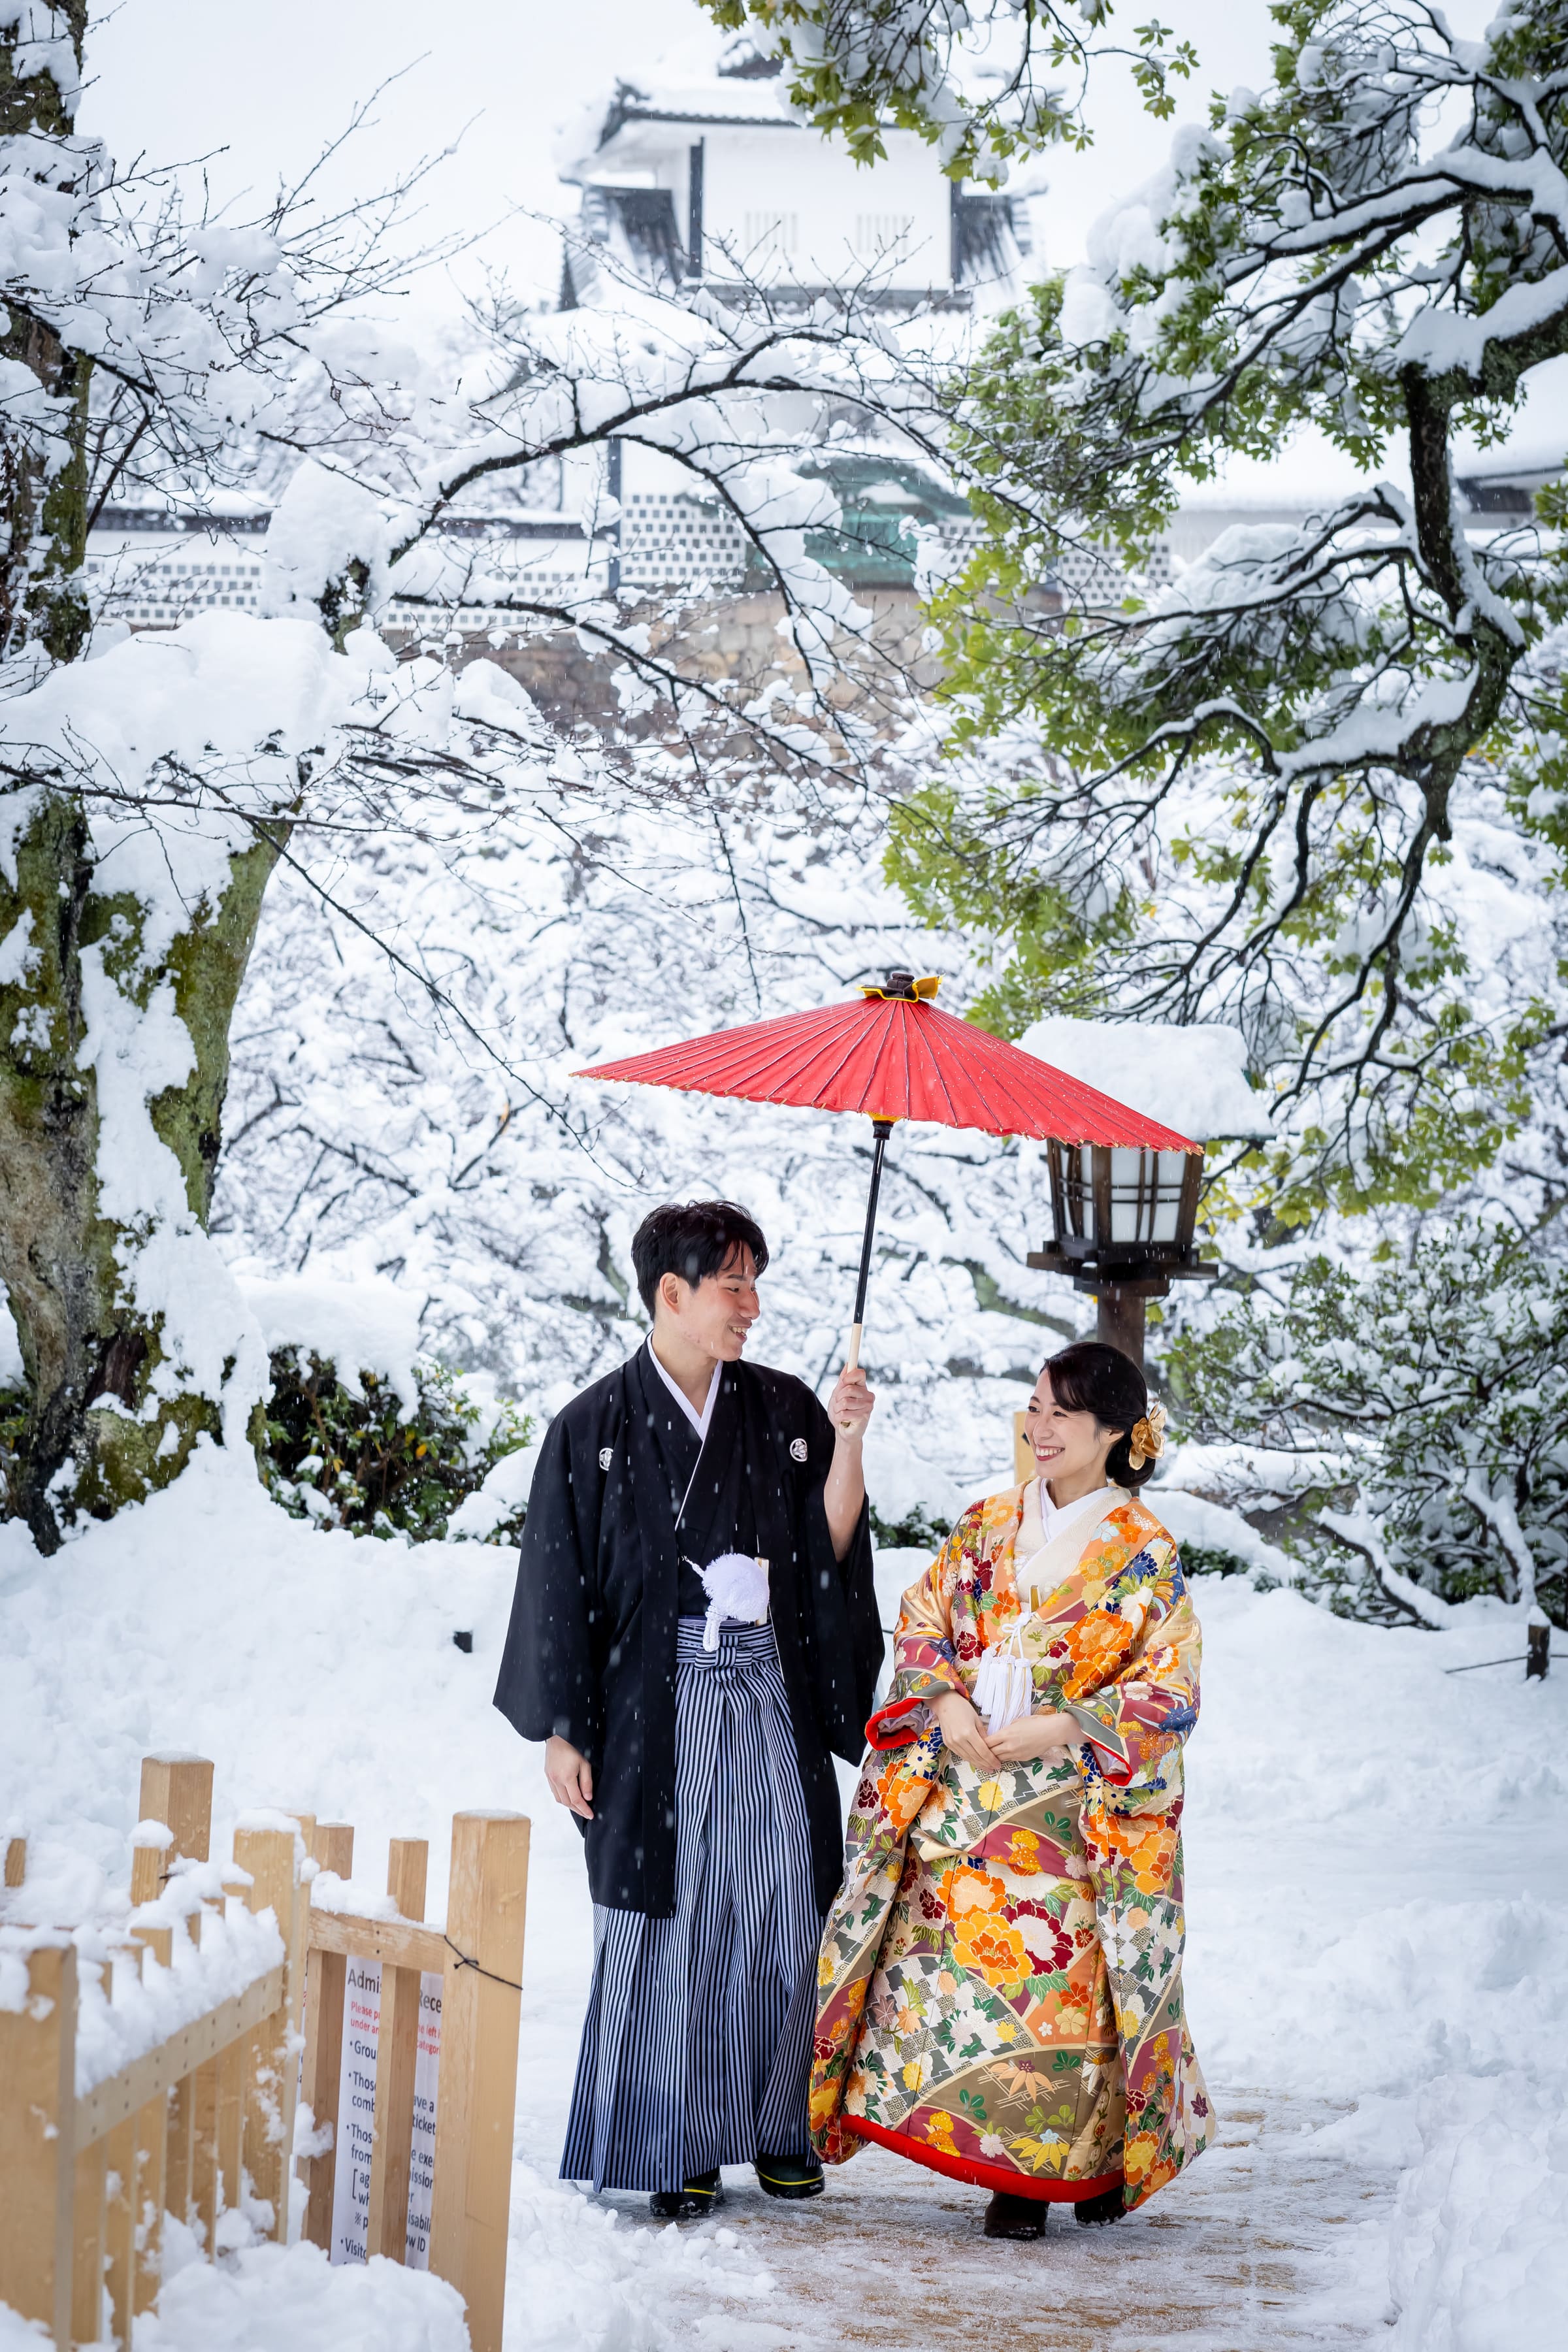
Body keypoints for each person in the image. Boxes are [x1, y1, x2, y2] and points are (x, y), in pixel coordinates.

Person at [493, 1199, 883, 2219]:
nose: (751, 1306)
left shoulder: (790, 1409)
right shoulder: (594, 1427)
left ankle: (781, 2125)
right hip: (651, 1706)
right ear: (672, 1293)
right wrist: (565, 1730)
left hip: (766, 1690)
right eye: (733, 1284)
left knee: (782, 1902)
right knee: (674, 1920)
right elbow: (559, 1583)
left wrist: (846, 1444)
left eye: (755, 1282)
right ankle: (677, 2141)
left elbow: (829, 1550)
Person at [809, 1341, 1211, 2239]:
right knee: (965, 1986)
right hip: (968, 1783)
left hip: (1072, 1805)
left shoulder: (1146, 1552)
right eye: (1036, 1407)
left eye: (1065, 1413)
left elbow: (1169, 1683)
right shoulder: (986, 1521)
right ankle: (993, 2156)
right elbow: (922, 1619)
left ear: (1117, 1433)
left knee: (1066, 1991)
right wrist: (945, 1696)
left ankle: (1059, 2169)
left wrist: (1067, 1725)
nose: (1042, 1427)